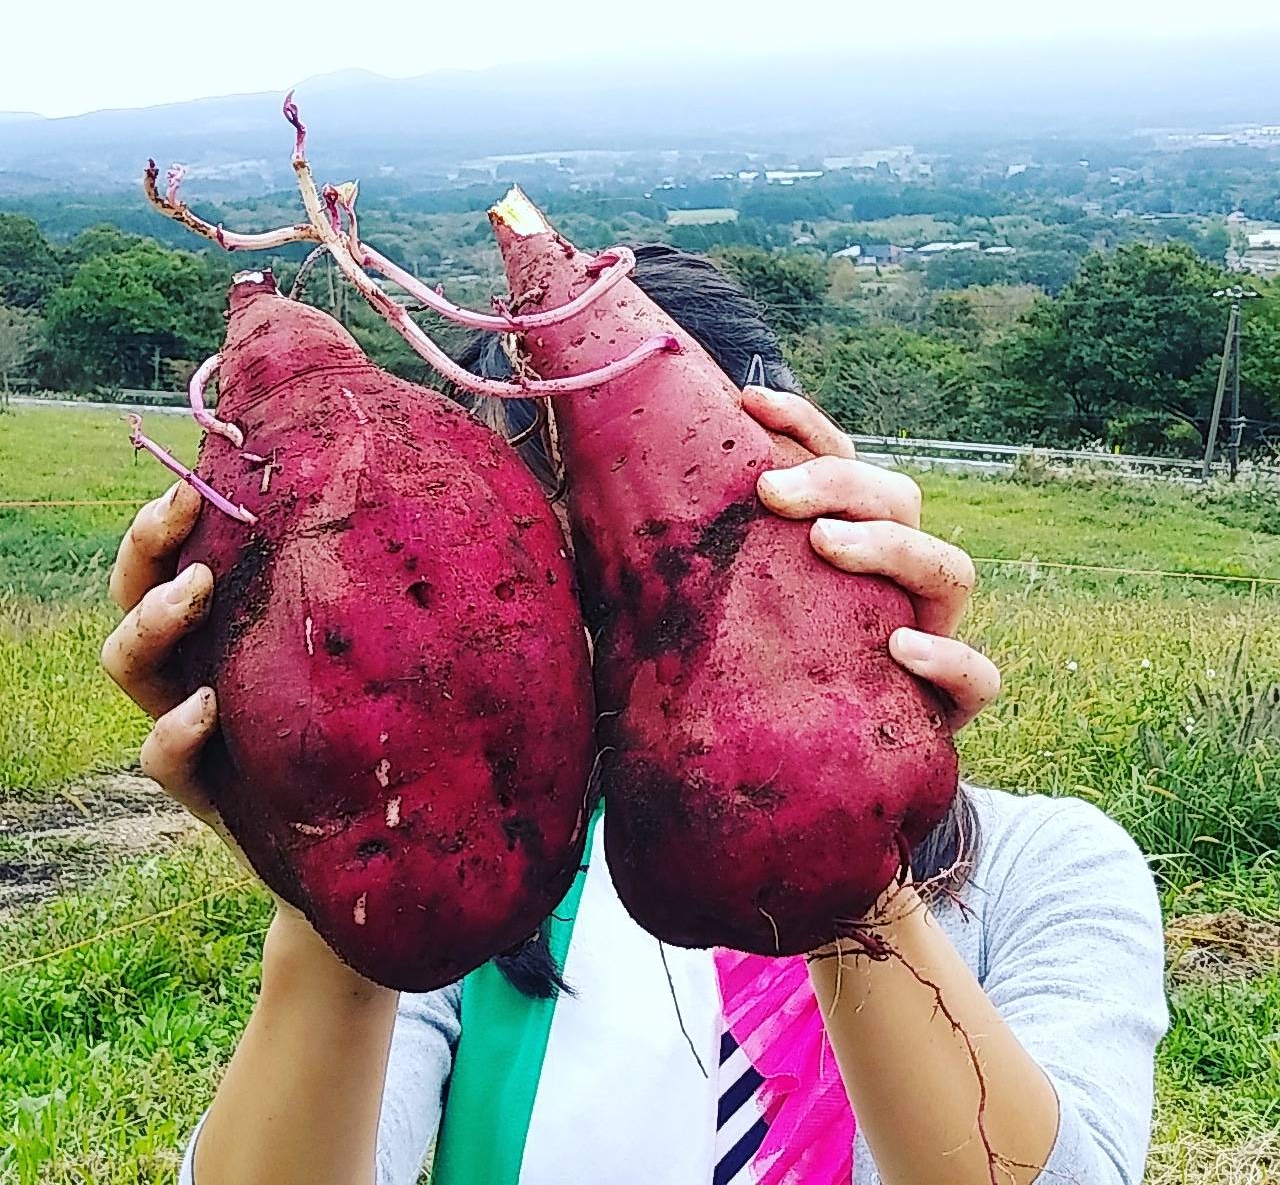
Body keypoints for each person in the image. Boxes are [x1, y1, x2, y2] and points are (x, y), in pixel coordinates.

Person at [101, 246, 1167, 1185]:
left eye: (698, 547)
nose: (622, 603)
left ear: (829, 516)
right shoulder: (483, 896)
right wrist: (331, 820)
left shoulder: (1045, 868)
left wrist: (849, 830)